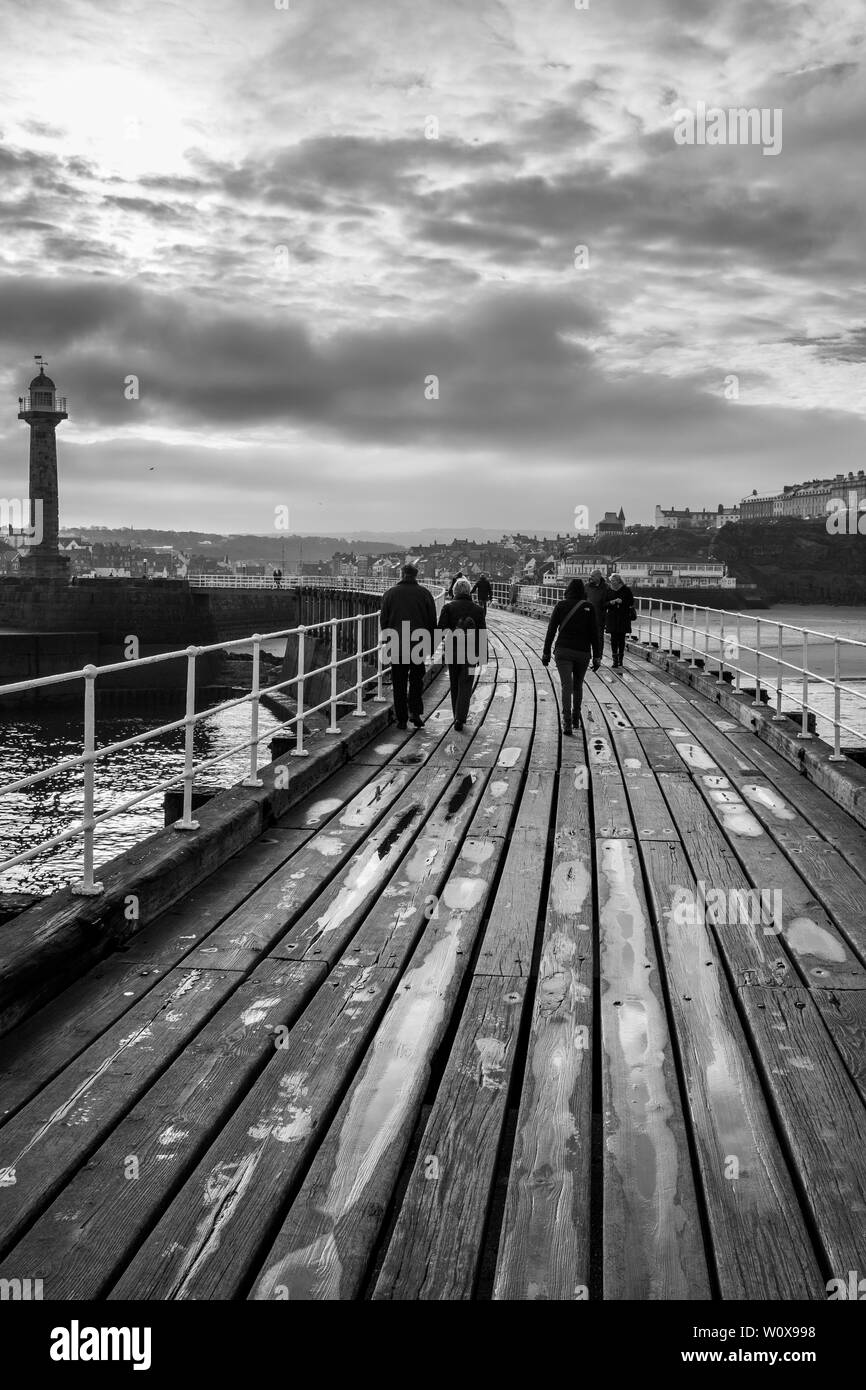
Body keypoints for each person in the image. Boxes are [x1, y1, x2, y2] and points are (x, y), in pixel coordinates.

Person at [380, 563, 437, 729]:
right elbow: (432, 622)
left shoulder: (390, 594)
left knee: (399, 682)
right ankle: (415, 712)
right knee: (416, 679)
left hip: (397, 643)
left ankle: (402, 719)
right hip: (419, 643)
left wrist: (387, 642)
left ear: (402, 574)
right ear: (416, 575)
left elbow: (384, 621)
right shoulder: (425, 594)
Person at [541, 578, 601, 735]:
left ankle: (566, 720)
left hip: (563, 651)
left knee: (566, 686)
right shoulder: (589, 607)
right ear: (583, 591)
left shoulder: (561, 605)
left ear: (568, 590)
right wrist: (597, 656)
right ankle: (575, 718)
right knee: (578, 685)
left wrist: (546, 652)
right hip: (583, 652)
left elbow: (551, 630)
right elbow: (595, 633)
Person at [438, 578, 487, 731]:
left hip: (453, 652)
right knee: (466, 683)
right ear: (469, 591)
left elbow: (440, 630)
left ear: (455, 591)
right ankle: (460, 716)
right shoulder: (478, 610)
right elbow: (482, 634)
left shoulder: (448, 607)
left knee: (454, 683)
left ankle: (456, 716)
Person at [605, 572, 635, 668]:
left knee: (621, 638)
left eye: (614, 580)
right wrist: (611, 602)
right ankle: (615, 660)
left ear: (618, 581)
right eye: (611, 580)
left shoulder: (626, 590)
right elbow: (604, 603)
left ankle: (620, 660)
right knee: (613, 638)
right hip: (612, 616)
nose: (612, 582)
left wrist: (622, 601)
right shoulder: (609, 590)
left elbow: (631, 601)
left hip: (623, 616)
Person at [586, 568, 610, 634]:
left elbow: (608, 601)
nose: (590, 578)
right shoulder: (587, 586)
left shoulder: (606, 587)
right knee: (587, 637)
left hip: (600, 616)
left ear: (598, 576)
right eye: (590, 576)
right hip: (588, 615)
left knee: (599, 637)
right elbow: (583, 599)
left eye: (592, 576)